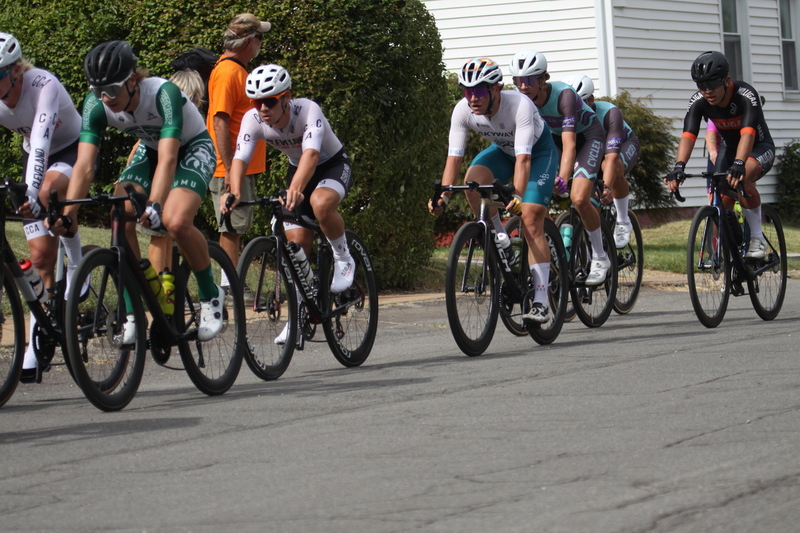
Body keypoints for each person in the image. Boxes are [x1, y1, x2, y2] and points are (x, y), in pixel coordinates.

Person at [49, 40, 224, 342]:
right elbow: (85, 166)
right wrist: (68, 214)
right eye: (96, 90)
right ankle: (133, 313)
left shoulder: (162, 94)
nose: (105, 98)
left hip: (190, 147)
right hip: (151, 149)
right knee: (120, 210)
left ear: (132, 80)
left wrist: (155, 204)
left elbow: (170, 157)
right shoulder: (96, 105)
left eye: (112, 90)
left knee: (176, 221)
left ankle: (211, 295)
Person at [220, 64, 356, 342]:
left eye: (269, 101)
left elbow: (312, 153)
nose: (262, 108)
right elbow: (240, 158)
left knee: (319, 204)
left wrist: (295, 189)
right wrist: (233, 191)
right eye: (256, 102)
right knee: (296, 247)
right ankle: (298, 316)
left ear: (285, 97)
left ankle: (343, 257)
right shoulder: (253, 119)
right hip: (299, 168)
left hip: (330, 163)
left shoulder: (307, 110)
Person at [428, 58, 558, 322]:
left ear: (496, 89)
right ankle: (501, 236)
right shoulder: (462, 111)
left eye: (478, 91)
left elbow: (524, 159)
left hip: (538, 153)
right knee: (473, 183)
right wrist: (443, 196)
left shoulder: (519, 105)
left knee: (531, 219)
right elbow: (453, 158)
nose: (472, 98)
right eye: (467, 91)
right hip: (503, 152)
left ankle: (542, 300)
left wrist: (518, 197)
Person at [0, 32, 85, 382]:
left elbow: (40, 143)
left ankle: (80, 266)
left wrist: (34, 191)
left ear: (16, 70)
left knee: (49, 193)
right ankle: (37, 340)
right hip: (34, 156)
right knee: (40, 258)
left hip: (69, 149)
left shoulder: (43, 84)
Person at [510, 50, 610, 285]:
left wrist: (563, 177)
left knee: (578, 198)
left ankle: (599, 256)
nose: (523, 87)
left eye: (530, 80)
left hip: (587, 138)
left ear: (544, 79)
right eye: (518, 81)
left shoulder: (564, 95)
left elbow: (570, 144)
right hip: (553, 141)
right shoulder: (519, 100)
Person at [665, 51, 775, 258]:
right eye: (701, 85)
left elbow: (748, 133)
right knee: (722, 200)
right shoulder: (698, 101)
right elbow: (688, 135)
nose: (707, 91)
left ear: (726, 80)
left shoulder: (745, 94)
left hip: (758, 146)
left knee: (744, 178)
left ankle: (757, 238)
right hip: (730, 148)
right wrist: (679, 167)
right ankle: (730, 252)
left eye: (713, 84)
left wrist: (740, 162)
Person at [207, 13, 271, 298]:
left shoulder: (235, 70)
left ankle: (229, 282)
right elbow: (220, 121)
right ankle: (228, 284)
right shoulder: (229, 72)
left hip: (237, 165)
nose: (261, 44)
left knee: (235, 224)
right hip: (230, 166)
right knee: (231, 225)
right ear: (249, 41)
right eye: (260, 38)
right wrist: (232, 167)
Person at [134, 68, 206, 271]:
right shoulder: (175, 111)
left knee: (165, 233)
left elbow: (141, 144)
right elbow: (142, 145)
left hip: (167, 171)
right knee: (162, 235)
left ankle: (165, 289)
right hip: (164, 173)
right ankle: (162, 288)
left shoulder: (171, 111)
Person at [563, 73, 640, 248]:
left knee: (613, 166)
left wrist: (606, 186)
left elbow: (611, 157)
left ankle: (622, 220)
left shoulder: (609, 112)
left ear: (591, 100)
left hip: (621, 146)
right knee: (590, 207)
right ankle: (595, 254)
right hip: (592, 153)